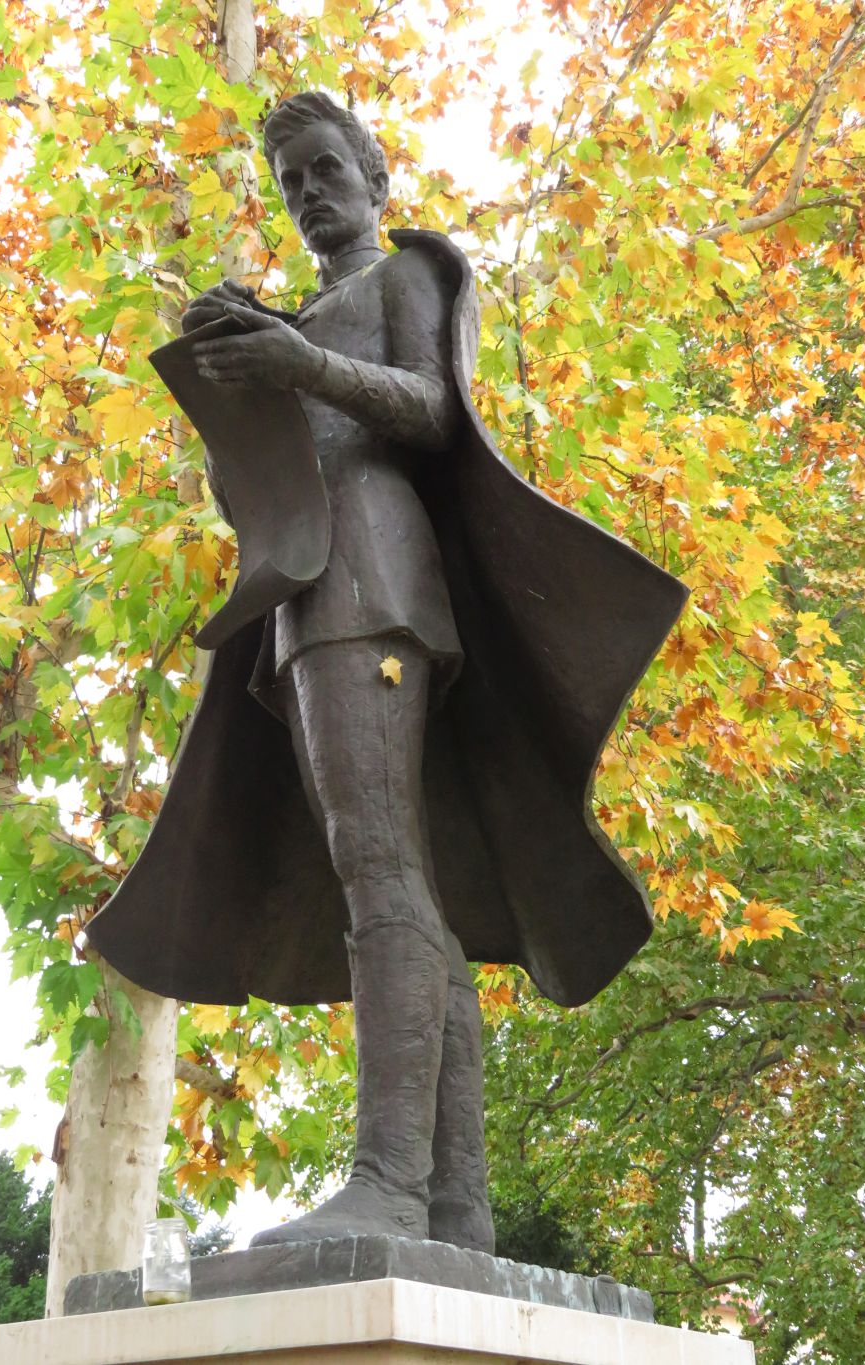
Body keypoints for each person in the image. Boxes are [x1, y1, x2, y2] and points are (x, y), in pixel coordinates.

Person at [87, 93, 688, 1253]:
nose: (309, 193)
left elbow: (433, 410)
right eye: (290, 183)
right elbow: (259, 478)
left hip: (373, 579)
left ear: (373, 175)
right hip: (310, 592)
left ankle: (390, 1187)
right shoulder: (304, 319)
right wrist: (242, 372)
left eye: (325, 169)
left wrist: (301, 361)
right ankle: (452, 1204)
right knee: (399, 877)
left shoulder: (404, 277)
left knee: (379, 871)